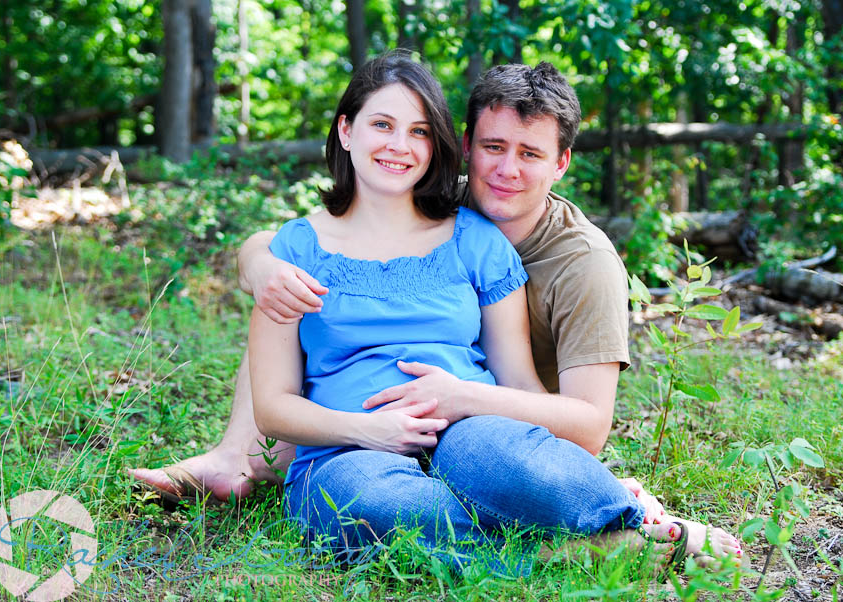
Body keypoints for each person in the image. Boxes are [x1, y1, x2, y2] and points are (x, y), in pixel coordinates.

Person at [130, 56, 743, 566]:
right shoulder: (299, 249)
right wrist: (372, 429)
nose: (400, 146)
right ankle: (575, 547)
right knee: (373, 507)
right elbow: (276, 401)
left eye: (419, 131)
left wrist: (476, 414)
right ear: (346, 130)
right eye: (382, 126)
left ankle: (631, 515)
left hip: (471, 428)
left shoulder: (496, 243)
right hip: (348, 451)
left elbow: (538, 396)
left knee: (503, 460)